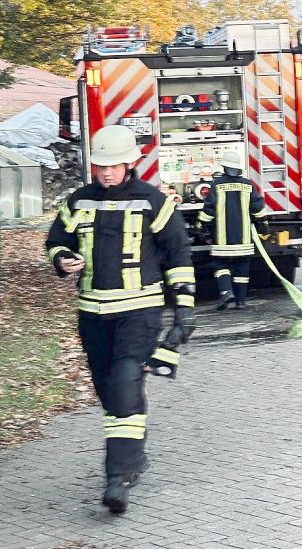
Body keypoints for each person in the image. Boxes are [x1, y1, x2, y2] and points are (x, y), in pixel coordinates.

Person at [45, 125, 196, 514]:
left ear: (131, 163)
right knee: (110, 395)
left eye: (113, 166)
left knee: (126, 384)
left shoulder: (155, 203)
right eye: (100, 166)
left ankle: (118, 478)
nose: (106, 173)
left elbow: (178, 256)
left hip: (139, 313)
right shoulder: (79, 201)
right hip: (93, 314)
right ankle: (134, 455)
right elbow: (56, 239)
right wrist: (62, 259)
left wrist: (183, 311)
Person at [197, 151, 266, 310]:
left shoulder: (216, 184)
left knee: (220, 265)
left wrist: (201, 227)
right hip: (243, 240)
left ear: (225, 167)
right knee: (242, 267)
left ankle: (226, 292)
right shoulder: (247, 184)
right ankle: (240, 302)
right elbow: (257, 208)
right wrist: (263, 225)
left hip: (222, 240)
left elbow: (209, 211)